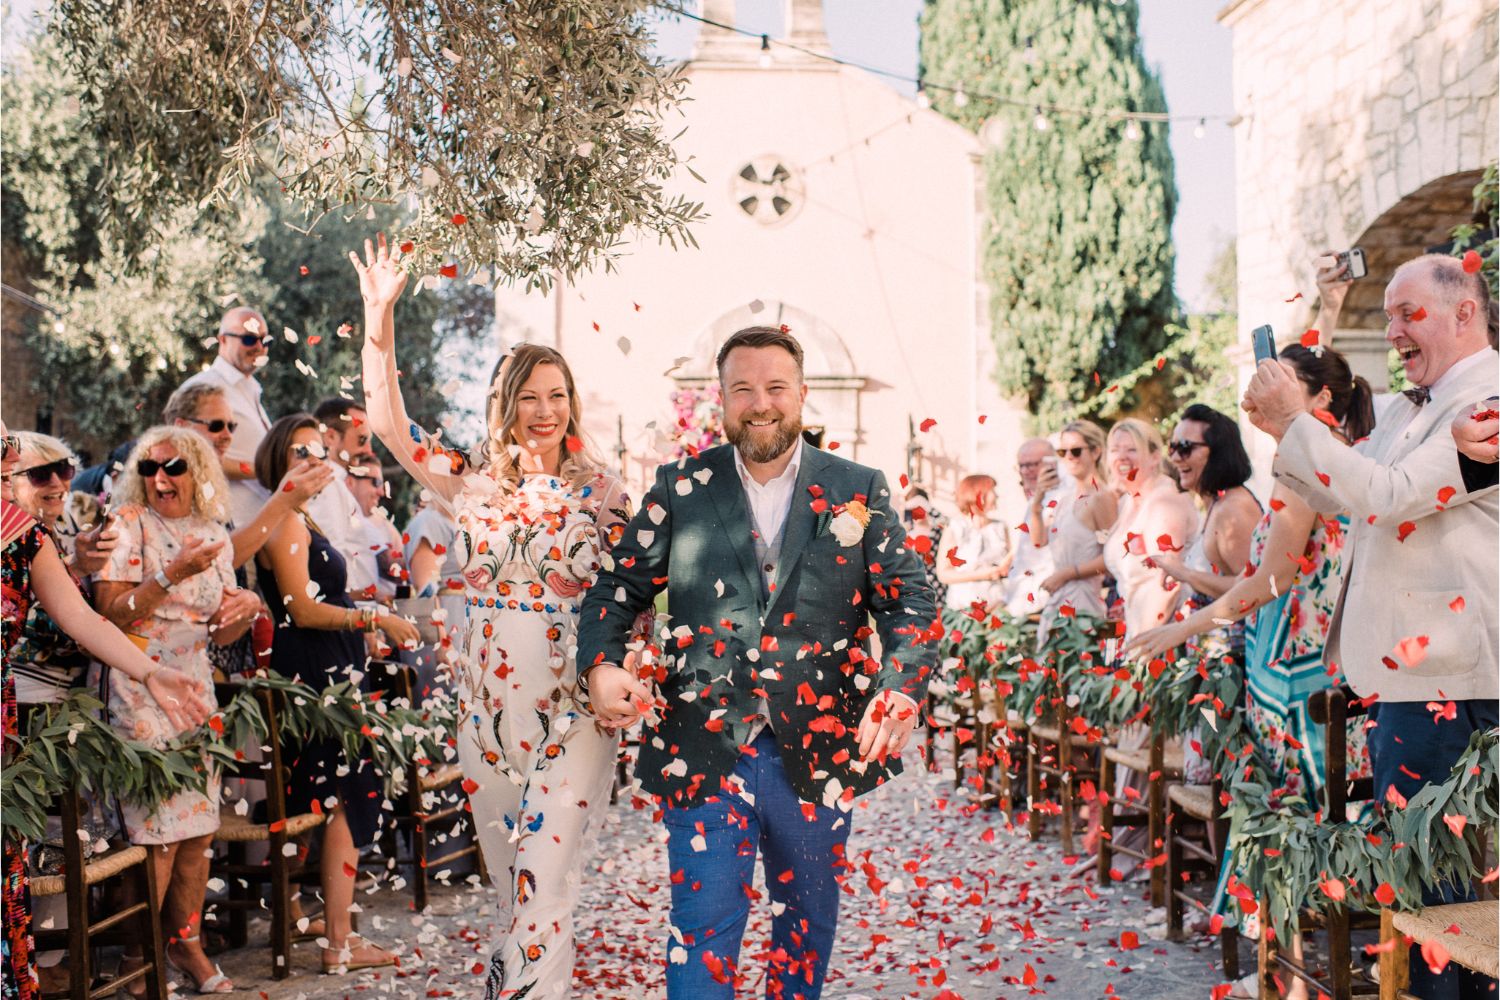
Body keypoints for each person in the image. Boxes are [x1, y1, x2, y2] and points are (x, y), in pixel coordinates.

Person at [576, 324, 939, 1000]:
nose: (760, 402)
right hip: (705, 745)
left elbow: (910, 600)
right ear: (721, 399)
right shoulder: (681, 487)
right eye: (742, 389)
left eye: (775, 387)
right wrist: (601, 666)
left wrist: (902, 687)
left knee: (805, 931)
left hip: (821, 749)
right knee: (702, 931)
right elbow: (616, 589)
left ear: (801, 394)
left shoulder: (858, 487)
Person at [353, 235, 635, 1000]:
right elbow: (385, 419)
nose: (543, 412)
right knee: (519, 891)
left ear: (570, 403)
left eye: (556, 395)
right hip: (485, 719)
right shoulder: (466, 485)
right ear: (504, 404)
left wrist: (633, 675)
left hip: (573, 715)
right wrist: (380, 316)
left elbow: (636, 601)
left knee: (541, 886)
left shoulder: (606, 495)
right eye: (528, 396)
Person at [1243, 253, 1498, 1000]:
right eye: (1387, 315)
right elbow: (1346, 491)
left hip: (1454, 683)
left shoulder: (1485, 401)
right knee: (1423, 892)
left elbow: (1385, 496)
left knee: (1445, 903)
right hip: (1414, 683)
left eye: (1406, 313)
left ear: (1464, 312)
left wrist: (1296, 422)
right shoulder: (1412, 408)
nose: (1391, 332)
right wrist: (1285, 433)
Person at [2, 424, 211, 1000]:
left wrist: (150, 670)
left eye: (6, 451)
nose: (11, 457)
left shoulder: (25, 537)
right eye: (6, 455)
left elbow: (87, 620)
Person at [91, 427, 262, 996]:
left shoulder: (213, 532)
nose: (161, 479)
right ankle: (141, 955)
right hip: (138, 681)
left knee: (198, 832)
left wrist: (249, 605)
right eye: (151, 469)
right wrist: (171, 574)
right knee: (157, 831)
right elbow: (108, 614)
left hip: (194, 685)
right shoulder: (128, 526)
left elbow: (220, 627)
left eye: (175, 468)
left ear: (199, 473)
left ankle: (185, 943)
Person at [253, 414, 417, 973]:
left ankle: (329, 928)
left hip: (334, 669)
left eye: (320, 450)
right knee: (342, 803)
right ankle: (339, 945)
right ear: (278, 460)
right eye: (300, 451)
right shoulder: (283, 524)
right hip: (315, 677)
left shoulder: (303, 520)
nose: (313, 458)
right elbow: (298, 608)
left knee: (338, 801)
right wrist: (371, 619)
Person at [163, 382, 334, 568]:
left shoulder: (210, 486)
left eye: (231, 426)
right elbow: (212, 564)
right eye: (216, 425)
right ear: (180, 426)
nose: (228, 436)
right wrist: (282, 501)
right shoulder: (165, 487)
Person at [6, 434, 117, 704]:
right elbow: (18, 616)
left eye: (64, 468)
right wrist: (77, 568)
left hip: (76, 691)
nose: (57, 482)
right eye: (40, 474)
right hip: (22, 693)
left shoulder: (73, 525)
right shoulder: (9, 533)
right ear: (10, 481)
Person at [1101, 418, 1199, 644]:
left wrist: (1143, 646)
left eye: (1132, 449)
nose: (1122, 457)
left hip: (1168, 632)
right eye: (1115, 450)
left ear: (1155, 457)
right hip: (1139, 628)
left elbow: (1169, 581)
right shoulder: (1126, 503)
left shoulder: (1164, 500)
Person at [177, 307, 275, 528]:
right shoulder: (204, 387)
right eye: (249, 339)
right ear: (223, 340)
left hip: (261, 521)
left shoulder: (250, 388)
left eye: (265, 340)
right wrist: (266, 470)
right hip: (232, 525)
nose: (260, 347)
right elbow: (191, 455)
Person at [1033, 419, 1115, 645]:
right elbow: (1039, 541)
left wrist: (1066, 574)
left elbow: (1112, 557)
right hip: (1058, 604)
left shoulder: (1101, 498)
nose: (1069, 457)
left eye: (1076, 451)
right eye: (1063, 451)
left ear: (1096, 451)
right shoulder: (1065, 499)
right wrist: (1037, 501)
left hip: (1082, 606)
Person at [307, 398, 379, 601]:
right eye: (362, 440)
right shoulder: (328, 485)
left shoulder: (335, 484)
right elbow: (329, 558)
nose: (368, 451)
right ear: (330, 437)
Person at [934, 473, 1011, 613]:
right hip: (964, 609)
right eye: (993, 491)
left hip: (998, 607)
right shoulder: (955, 528)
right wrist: (984, 574)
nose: (997, 496)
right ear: (979, 495)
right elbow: (943, 574)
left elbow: (1011, 567)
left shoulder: (1000, 527)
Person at [1004, 437, 1057, 615]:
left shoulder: (1060, 498)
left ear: (1051, 463)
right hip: (1023, 597)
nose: (1025, 471)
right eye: (1021, 466)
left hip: (1047, 598)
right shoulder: (1033, 500)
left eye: (1032, 465)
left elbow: (1040, 543)